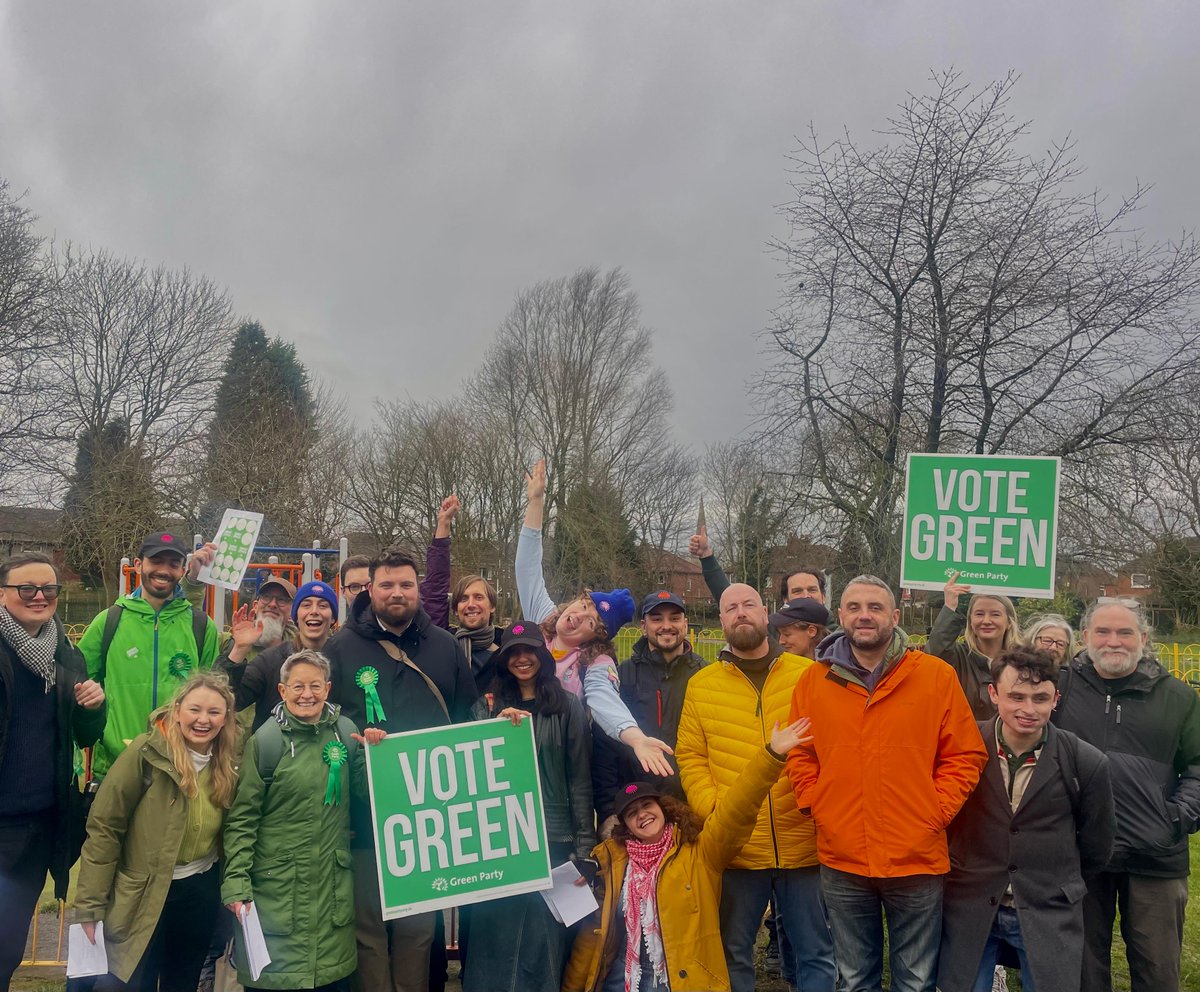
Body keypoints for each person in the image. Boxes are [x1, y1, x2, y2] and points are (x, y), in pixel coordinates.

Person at [787, 574, 988, 992]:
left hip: (916, 856)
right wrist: (817, 803)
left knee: (915, 981)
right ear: (840, 615)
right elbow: (800, 753)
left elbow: (965, 755)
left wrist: (934, 812)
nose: (865, 616)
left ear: (894, 616)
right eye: (855, 607)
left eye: (875, 608)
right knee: (854, 978)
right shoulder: (813, 681)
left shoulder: (934, 676)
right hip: (842, 856)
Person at [563, 716, 813, 992]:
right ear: (626, 827)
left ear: (664, 808)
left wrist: (771, 757)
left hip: (681, 983)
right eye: (632, 814)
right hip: (623, 983)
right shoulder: (611, 865)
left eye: (646, 805)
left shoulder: (700, 852)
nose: (642, 815)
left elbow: (735, 810)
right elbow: (591, 938)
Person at [324, 546, 477, 992]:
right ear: (369, 589)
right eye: (386, 584)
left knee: (418, 932)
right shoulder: (341, 647)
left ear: (418, 589)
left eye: (406, 584)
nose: (397, 593)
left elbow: (468, 718)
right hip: (363, 813)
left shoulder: (446, 647)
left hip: (427, 817)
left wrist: (503, 726)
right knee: (367, 929)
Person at [676, 583, 836, 992]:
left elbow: (834, 746)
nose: (740, 612)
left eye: (748, 604)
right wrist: (713, 810)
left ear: (766, 614)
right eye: (731, 608)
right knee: (733, 951)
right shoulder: (702, 684)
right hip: (738, 848)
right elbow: (691, 756)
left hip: (803, 841)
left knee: (816, 952)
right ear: (721, 620)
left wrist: (819, 805)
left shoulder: (810, 675)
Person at [939, 645, 1115, 992]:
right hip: (971, 902)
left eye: (1040, 698)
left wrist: (1060, 881)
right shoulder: (961, 746)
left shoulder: (1086, 762)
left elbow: (1097, 841)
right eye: (1016, 696)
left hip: (1048, 907)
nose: (1028, 709)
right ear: (993, 694)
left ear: (1056, 698)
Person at [1052, 598, 1200, 992]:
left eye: (1124, 632)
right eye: (1102, 631)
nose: (1113, 641)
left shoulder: (1179, 698)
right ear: (1085, 637)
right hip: (1080, 854)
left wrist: (1176, 818)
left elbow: (1198, 767)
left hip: (1154, 856)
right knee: (1082, 968)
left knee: (1158, 970)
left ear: (1143, 639)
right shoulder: (1060, 688)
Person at [222, 649, 382, 991]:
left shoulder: (345, 732)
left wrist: (374, 754)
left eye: (314, 686)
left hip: (331, 895)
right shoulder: (264, 742)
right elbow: (243, 819)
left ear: (327, 688)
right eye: (297, 687)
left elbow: (367, 796)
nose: (306, 695)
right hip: (276, 894)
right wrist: (235, 882)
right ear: (282, 691)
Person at [75, 672, 239, 992]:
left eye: (214, 712)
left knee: (183, 980)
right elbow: (105, 827)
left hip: (199, 892)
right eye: (194, 709)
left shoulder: (229, 763)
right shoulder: (145, 752)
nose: (203, 719)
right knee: (135, 982)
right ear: (177, 710)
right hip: (143, 892)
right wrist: (90, 906)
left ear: (226, 719)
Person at [516, 459, 672, 778]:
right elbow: (527, 567)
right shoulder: (541, 620)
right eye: (584, 605)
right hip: (514, 748)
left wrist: (635, 737)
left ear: (596, 637)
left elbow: (604, 701)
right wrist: (536, 501)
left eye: (591, 622)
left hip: (556, 762)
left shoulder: (595, 664)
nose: (578, 616)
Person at [464, 624, 595, 992]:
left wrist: (584, 848)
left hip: (550, 835)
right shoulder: (485, 707)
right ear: (504, 661)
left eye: (530, 651)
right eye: (514, 653)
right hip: (498, 837)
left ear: (542, 655)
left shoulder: (568, 706)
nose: (522, 659)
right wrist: (495, 728)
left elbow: (579, 779)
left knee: (543, 937)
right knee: (494, 934)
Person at [0, 552, 106, 991]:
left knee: (7, 947)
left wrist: (94, 709)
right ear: (3, 594)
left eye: (49, 589)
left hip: (39, 826)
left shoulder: (68, 655)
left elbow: (83, 737)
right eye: (27, 588)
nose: (40, 596)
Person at [77, 532, 220, 777]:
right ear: (138, 564)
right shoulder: (109, 621)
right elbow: (78, 684)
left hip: (181, 768)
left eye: (173, 564)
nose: (164, 570)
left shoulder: (201, 626)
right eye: (156, 561)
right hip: (116, 765)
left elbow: (214, 694)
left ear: (182, 570)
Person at [592, 591, 707, 827]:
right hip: (636, 809)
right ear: (644, 626)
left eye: (674, 618)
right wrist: (608, 811)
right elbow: (604, 746)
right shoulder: (623, 675)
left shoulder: (705, 675)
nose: (667, 626)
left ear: (685, 624)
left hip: (693, 806)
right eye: (657, 619)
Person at [220, 580, 339, 731]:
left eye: (323, 605)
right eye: (306, 605)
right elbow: (228, 700)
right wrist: (239, 649)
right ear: (296, 615)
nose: (314, 611)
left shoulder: (343, 656)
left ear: (333, 617)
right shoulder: (270, 660)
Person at [926, 572, 1023, 720]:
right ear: (970, 621)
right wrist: (949, 607)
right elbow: (934, 656)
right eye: (979, 614)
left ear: (1009, 622)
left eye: (995, 614)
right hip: (966, 740)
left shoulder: (1023, 661)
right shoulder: (958, 657)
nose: (986, 620)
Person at [687, 525, 827, 606]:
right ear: (786, 600)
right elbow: (728, 597)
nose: (806, 595)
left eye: (812, 590)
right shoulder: (773, 635)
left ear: (823, 596)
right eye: (797, 591)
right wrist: (706, 556)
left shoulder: (840, 640)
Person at [215, 576, 296, 674]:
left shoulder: (298, 651)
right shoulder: (224, 642)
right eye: (266, 597)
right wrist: (239, 649)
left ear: (292, 611)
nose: (272, 604)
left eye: (282, 599)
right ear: (255, 606)